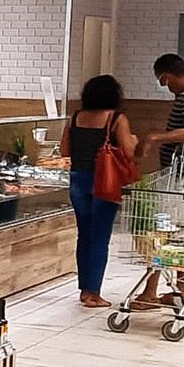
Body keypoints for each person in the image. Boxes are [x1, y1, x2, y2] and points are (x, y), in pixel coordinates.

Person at [60, 75, 136, 307]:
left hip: (78, 181)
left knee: (84, 235)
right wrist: (134, 140)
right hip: (104, 182)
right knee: (100, 237)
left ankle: (84, 290)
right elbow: (128, 151)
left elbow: (65, 151)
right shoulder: (116, 118)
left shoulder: (75, 117)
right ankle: (93, 293)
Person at [134, 53, 184, 307]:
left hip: (180, 179)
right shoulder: (181, 97)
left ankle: (154, 292)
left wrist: (155, 137)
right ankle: (175, 291)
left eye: (162, 80)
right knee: (172, 234)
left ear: (168, 75)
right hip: (174, 174)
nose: (164, 86)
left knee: (165, 233)